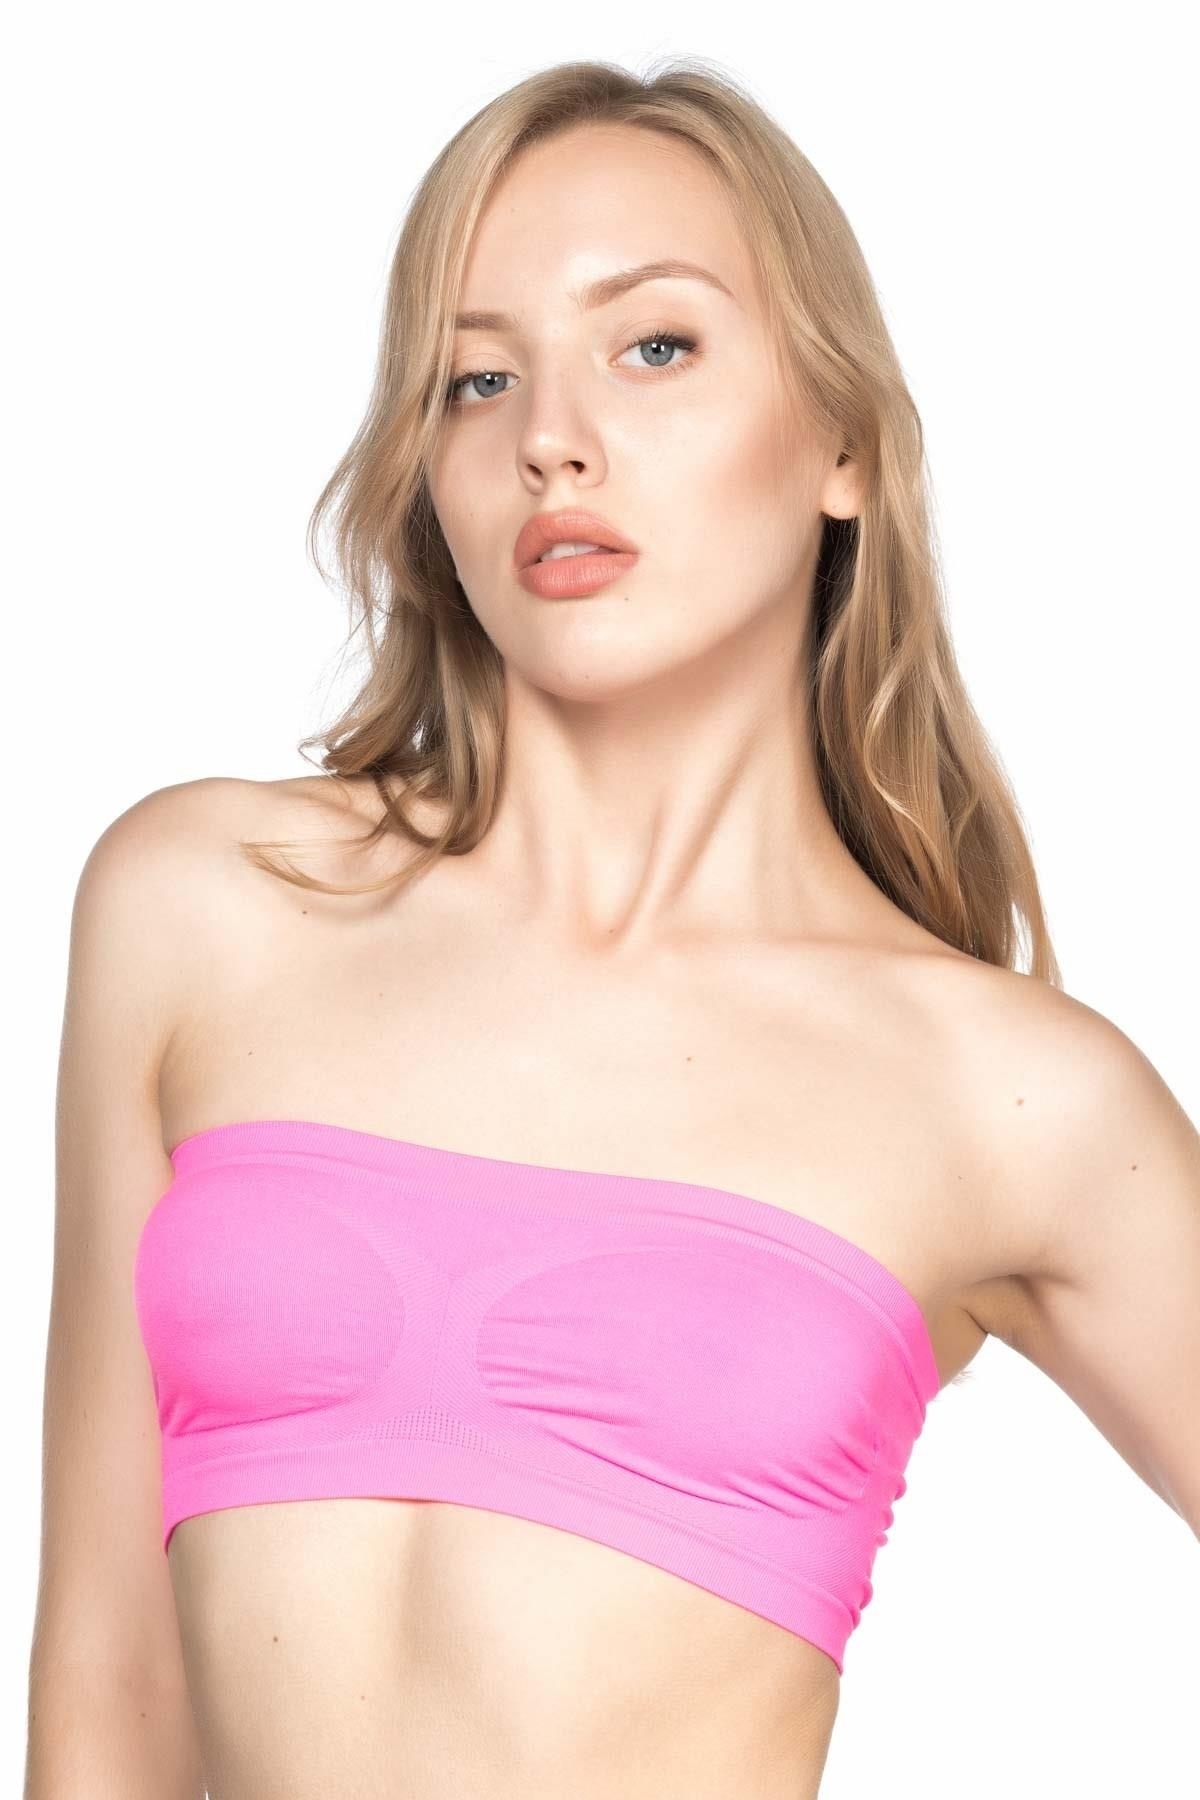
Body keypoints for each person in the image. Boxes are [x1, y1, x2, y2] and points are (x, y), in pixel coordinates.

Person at [25, 54, 1199, 1800]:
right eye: (477, 377)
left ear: (844, 443)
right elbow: (107, 1690)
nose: (549, 438)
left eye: (654, 347)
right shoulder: (202, 909)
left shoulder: (1012, 1095)